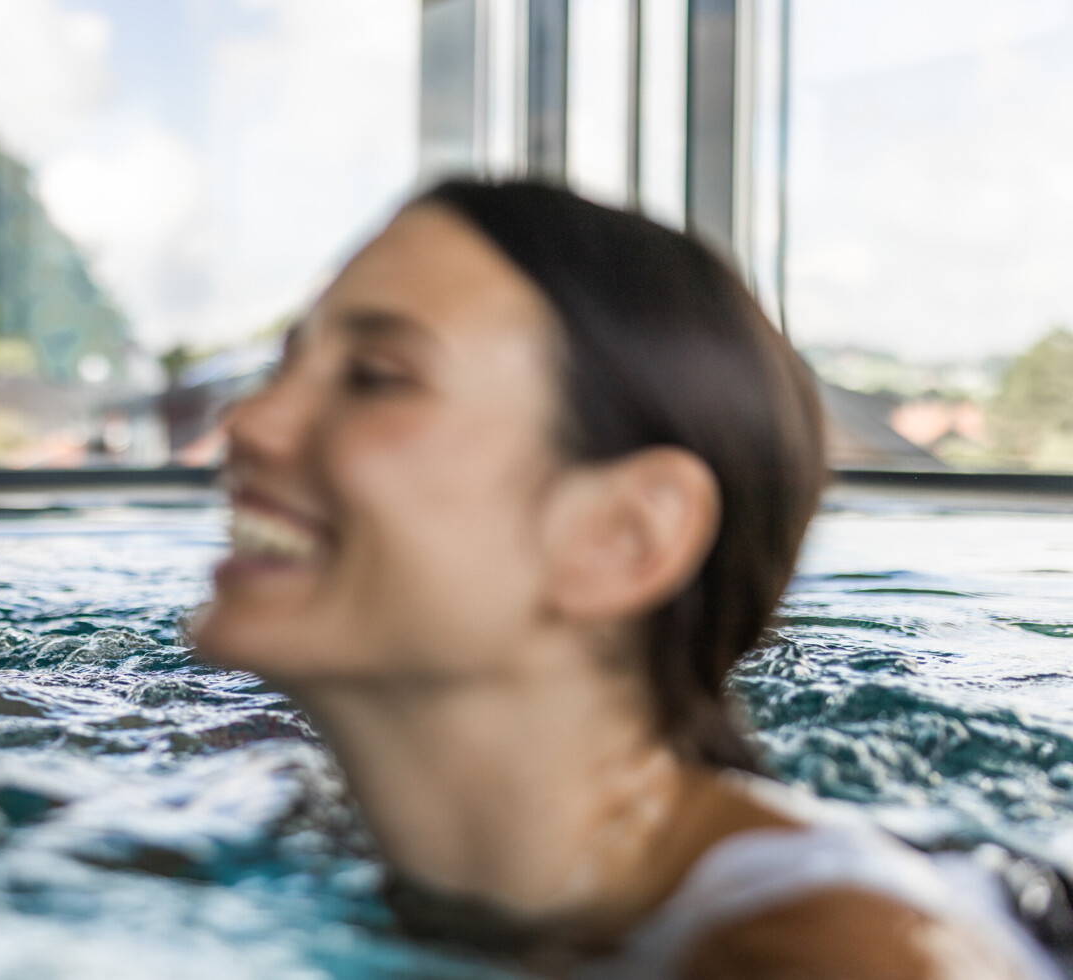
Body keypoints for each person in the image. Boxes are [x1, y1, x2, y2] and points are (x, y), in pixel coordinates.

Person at [193, 180, 1060, 978]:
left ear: (623, 538)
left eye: (377, 379)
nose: (249, 423)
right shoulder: (340, 835)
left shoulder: (833, 953)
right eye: (283, 367)